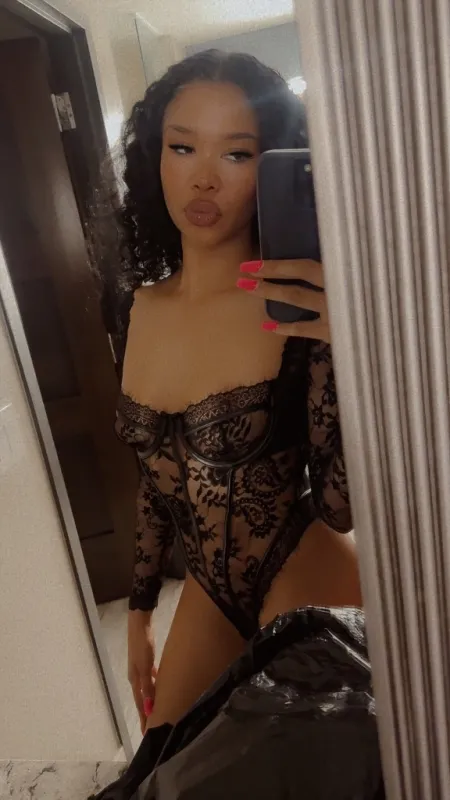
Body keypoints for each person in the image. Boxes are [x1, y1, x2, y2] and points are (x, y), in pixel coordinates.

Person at [114, 49, 362, 735]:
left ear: (271, 167)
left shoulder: (301, 307)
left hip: (304, 566)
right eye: (183, 146)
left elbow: (340, 505)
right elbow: (155, 475)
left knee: (295, 770)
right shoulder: (136, 306)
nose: (203, 177)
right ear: (155, 158)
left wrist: (351, 351)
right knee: (161, 764)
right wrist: (138, 612)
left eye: (236, 153)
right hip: (208, 589)